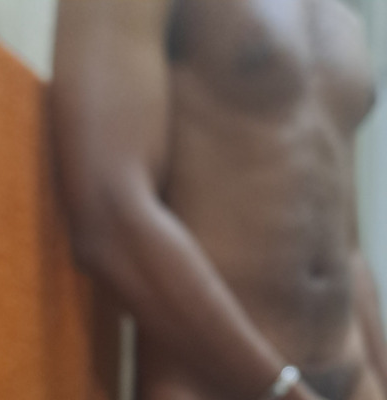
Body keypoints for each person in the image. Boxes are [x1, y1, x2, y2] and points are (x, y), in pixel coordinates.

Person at [51, 0, 387, 399]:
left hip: (351, 378)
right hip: (209, 381)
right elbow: (109, 212)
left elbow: (348, 248)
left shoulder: (347, 18)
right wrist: (281, 389)